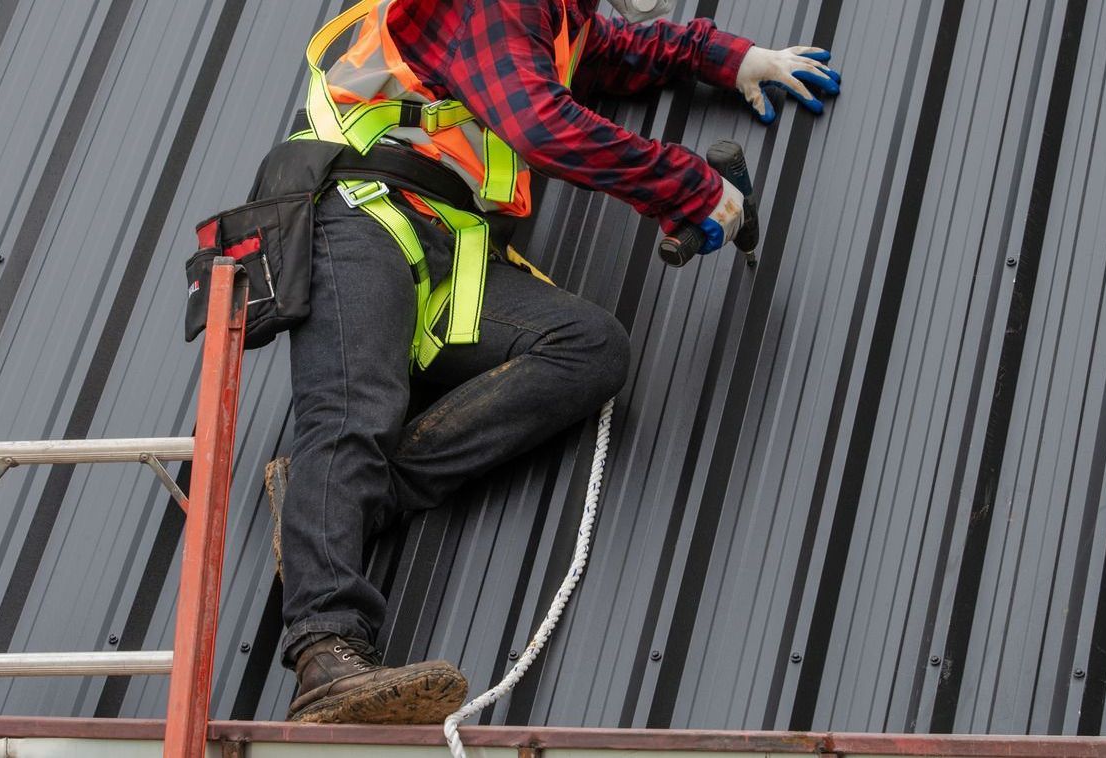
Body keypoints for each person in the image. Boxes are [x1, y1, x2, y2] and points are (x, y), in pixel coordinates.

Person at [275, 0, 841, 725]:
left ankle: (329, 506)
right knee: (354, 411)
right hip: (355, 212)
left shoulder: (557, 24)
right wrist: (685, 184)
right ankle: (326, 654)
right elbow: (542, 125)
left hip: (448, 246)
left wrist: (734, 59)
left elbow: (630, 50)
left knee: (589, 348)